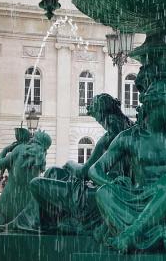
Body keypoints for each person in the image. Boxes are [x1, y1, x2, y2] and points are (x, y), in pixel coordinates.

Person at [88, 81, 166, 252]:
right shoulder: (129, 137)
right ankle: (152, 236)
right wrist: (111, 184)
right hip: (140, 198)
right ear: (158, 105)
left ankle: (131, 235)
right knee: (103, 192)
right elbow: (94, 170)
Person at [21, 93, 133, 234]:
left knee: (36, 184)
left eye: (98, 119)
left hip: (99, 193)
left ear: (102, 114)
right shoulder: (129, 130)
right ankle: (51, 222)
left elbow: (85, 172)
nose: (101, 123)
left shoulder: (111, 137)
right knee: (53, 172)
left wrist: (70, 164)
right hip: (108, 187)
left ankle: (52, 223)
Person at [0, 130, 51, 232]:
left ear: (34, 140)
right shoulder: (41, 159)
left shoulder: (19, 149)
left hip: (9, 199)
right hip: (27, 205)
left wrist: (6, 150)